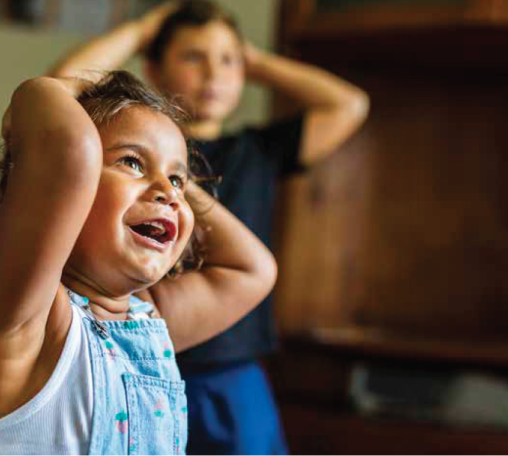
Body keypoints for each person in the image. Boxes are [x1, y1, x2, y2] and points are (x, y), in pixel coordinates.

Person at [49, 1, 369, 453]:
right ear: (154, 68)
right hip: (138, 354)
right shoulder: (137, 152)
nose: (214, 73)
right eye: (193, 57)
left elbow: (350, 105)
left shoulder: (257, 150)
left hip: (231, 371)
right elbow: (60, 87)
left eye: (227, 60)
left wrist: (254, 60)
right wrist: (143, 30)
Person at [0, 70, 277, 455]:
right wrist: (50, 92)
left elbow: (253, 269)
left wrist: (171, 181)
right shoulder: (22, 318)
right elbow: (68, 149)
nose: (169, 193)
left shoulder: (149, 323)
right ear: (60, 190)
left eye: (178, 179)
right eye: (132, 162)